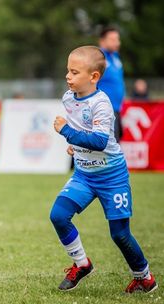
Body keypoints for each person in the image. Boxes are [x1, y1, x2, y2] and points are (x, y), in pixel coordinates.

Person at [50, 46, 157, 293]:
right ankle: (82, 264)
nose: (68, 76)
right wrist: (74, 147)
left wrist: (66, 131)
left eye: (75, 72)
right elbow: (83, 134)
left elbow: (99, 141)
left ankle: (144, 277)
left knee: (120, 234)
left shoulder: (102, 103)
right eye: (68, 70)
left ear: (94, 77)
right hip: (84, 175)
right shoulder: (68, 97)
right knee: (58, 215)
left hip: (112, 177)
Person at [98, 27, 125, 140]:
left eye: (117, 39)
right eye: (112, 39)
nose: (117, 43)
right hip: (103, 111)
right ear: (102, 41)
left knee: (116, 140)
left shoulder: (115, 57)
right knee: (108, 147)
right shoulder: (97, 57)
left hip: (116, 109)